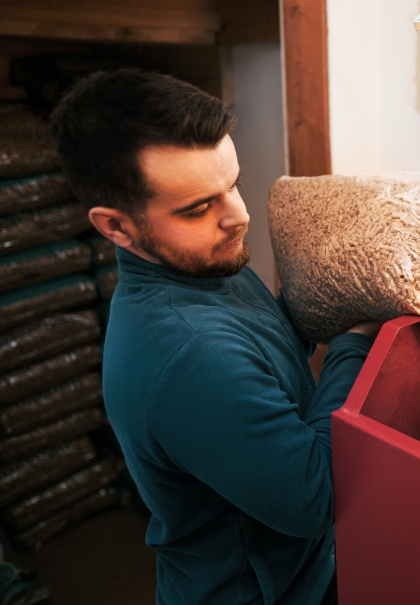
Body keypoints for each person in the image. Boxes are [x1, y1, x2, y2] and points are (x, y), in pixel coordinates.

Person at [50, 67, 381, 605]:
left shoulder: (203, 264)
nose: (240, 216)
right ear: (115, 226)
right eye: (198, 207)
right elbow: (315, 498)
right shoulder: (187, 353)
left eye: (234, 185)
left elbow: (267, 359)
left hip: (306, 572)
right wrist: (357, 338)